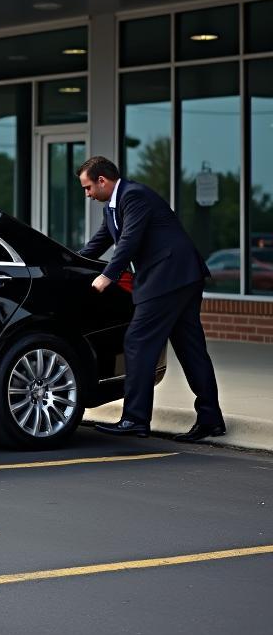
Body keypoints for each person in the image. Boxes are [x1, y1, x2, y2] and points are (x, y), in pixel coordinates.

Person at [77, 155, 225, 442]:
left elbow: (130, 240)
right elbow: (95, 245)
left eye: (88, 188)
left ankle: (134, 419)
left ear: (102, 181)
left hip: (168, 278)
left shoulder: (134, 196)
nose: (87, 194)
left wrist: (107, 276)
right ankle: (211, 419)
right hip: (180, 279)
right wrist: (66, 264)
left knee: (137, 341)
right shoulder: (113, 208)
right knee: (190, 349)